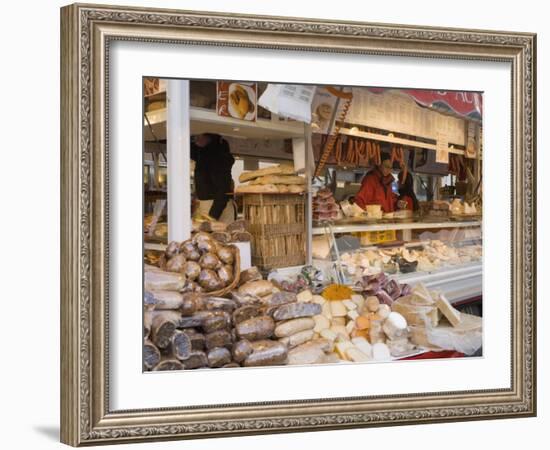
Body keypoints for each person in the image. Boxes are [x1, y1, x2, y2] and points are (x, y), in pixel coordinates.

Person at [190, 133, 236, 223]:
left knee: (219, 236)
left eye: (198, 136)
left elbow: (223, 189)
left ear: (209, 137)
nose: (195, 139)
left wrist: (212, 216)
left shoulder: (218, 158)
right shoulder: (203, 155)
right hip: (209, 206)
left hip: (216, 207)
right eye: (194, 137)